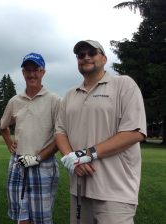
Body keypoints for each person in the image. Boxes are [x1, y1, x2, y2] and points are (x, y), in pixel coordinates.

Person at [55, 40, 147, 224]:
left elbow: (134, 132)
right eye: (81, 55)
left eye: (92, 52)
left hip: (116, 191)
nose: (86, 57)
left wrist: (85, 155)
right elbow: (60, 132)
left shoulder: (124, 85)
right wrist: (71, 158)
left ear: (104, 58)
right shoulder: (70, 95)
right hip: (79, 189)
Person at [0, 53, 60, 224]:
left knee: (41, 219)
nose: (32, 74)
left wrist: (38, 157)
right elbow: (3, 126)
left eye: (36, 70)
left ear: (43, 72)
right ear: (23, 72)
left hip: (43, 165)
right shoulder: (15, 101)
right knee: (21, 218)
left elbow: (60, 136)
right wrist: (9, 143)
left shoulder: (54, 100)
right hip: (18, 163)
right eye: (28, 70)